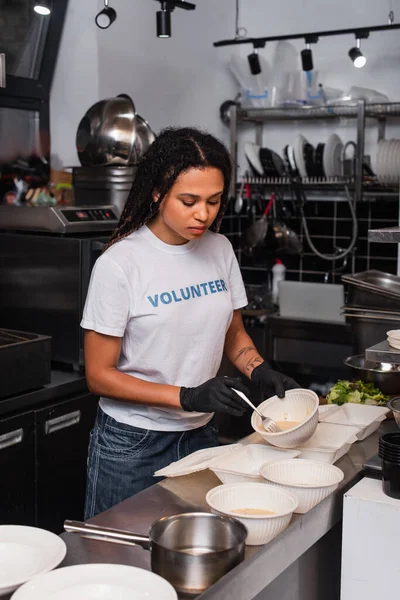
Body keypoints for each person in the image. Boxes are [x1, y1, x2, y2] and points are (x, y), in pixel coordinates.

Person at [81, 126, 298, 519]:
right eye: (189, 200)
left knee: (191, 558)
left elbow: (233, 332)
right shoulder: (119, 264)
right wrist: (186, 396)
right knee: (121, 561)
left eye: (214, 201)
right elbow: (98, 375)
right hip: (133, 443)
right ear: (157, 191)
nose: (204, 214)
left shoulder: (219, 248)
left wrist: (259, 369)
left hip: (201, 436)